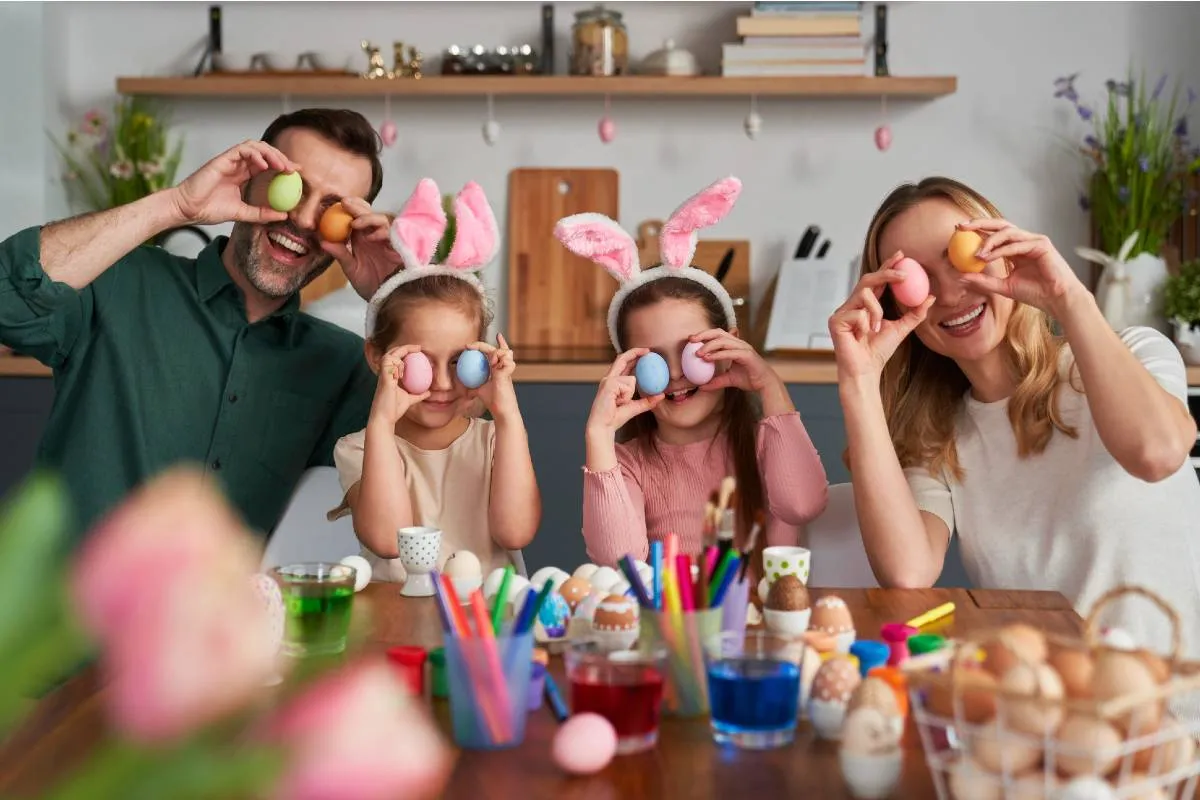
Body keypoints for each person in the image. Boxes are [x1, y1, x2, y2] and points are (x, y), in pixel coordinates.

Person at [829, 175, 1200, 658]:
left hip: (1169, 697)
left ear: (1005, 251)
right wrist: (858, 381)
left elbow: (1157, 453)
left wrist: (1067, 296)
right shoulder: (939, 434)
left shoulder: (1134, 352)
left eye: (960, 257)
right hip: (1036, 695)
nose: (951, 293)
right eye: (915, 279)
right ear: (893, 306)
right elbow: (907, 571)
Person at [0, 108, 402, 542]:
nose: (304, 220)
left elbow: (439, 452)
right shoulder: (118, 281)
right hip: (70, 588)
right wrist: (175, 206)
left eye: (331, 209)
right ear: (248, 181)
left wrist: (396, 295)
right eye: (293, 187)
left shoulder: (342, 364)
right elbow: (8, 298)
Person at [555, 176, 829, 571]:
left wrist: (770, 385)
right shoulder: (627, 463)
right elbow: (618, 562)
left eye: (691, 351)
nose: (674, 373)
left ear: (728, 348)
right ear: (627, 370)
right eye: (652, 360)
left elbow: (803, 505)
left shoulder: (764, 446)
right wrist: (599, 436)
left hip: (757, 613)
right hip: (665, 613)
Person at [329, 178, 540, 581]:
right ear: (378, 357)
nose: (442, 383)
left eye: (460, 361)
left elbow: (515, 532)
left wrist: (507, 415)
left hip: (483, 616)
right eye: (421, 363)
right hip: (398, 614)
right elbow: (388, 541)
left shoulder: (494, 440)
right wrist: (382, 422)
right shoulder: (360, 447)